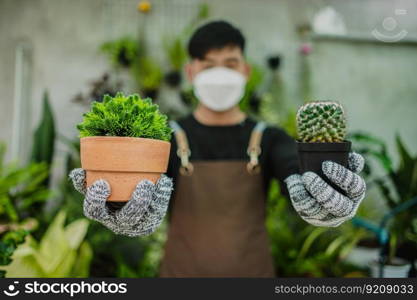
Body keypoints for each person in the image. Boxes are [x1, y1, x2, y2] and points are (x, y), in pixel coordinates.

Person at [69, 20, 366, 277]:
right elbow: (140, 189)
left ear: (246, 71)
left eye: (230, 63)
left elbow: (296, 173)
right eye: (208, 65)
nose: (220, 74)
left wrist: (323, 201)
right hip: (180, 277)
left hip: (253, 276)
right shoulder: (166, 139)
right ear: (190, 72)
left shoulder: (270, 139)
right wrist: (120, 207)